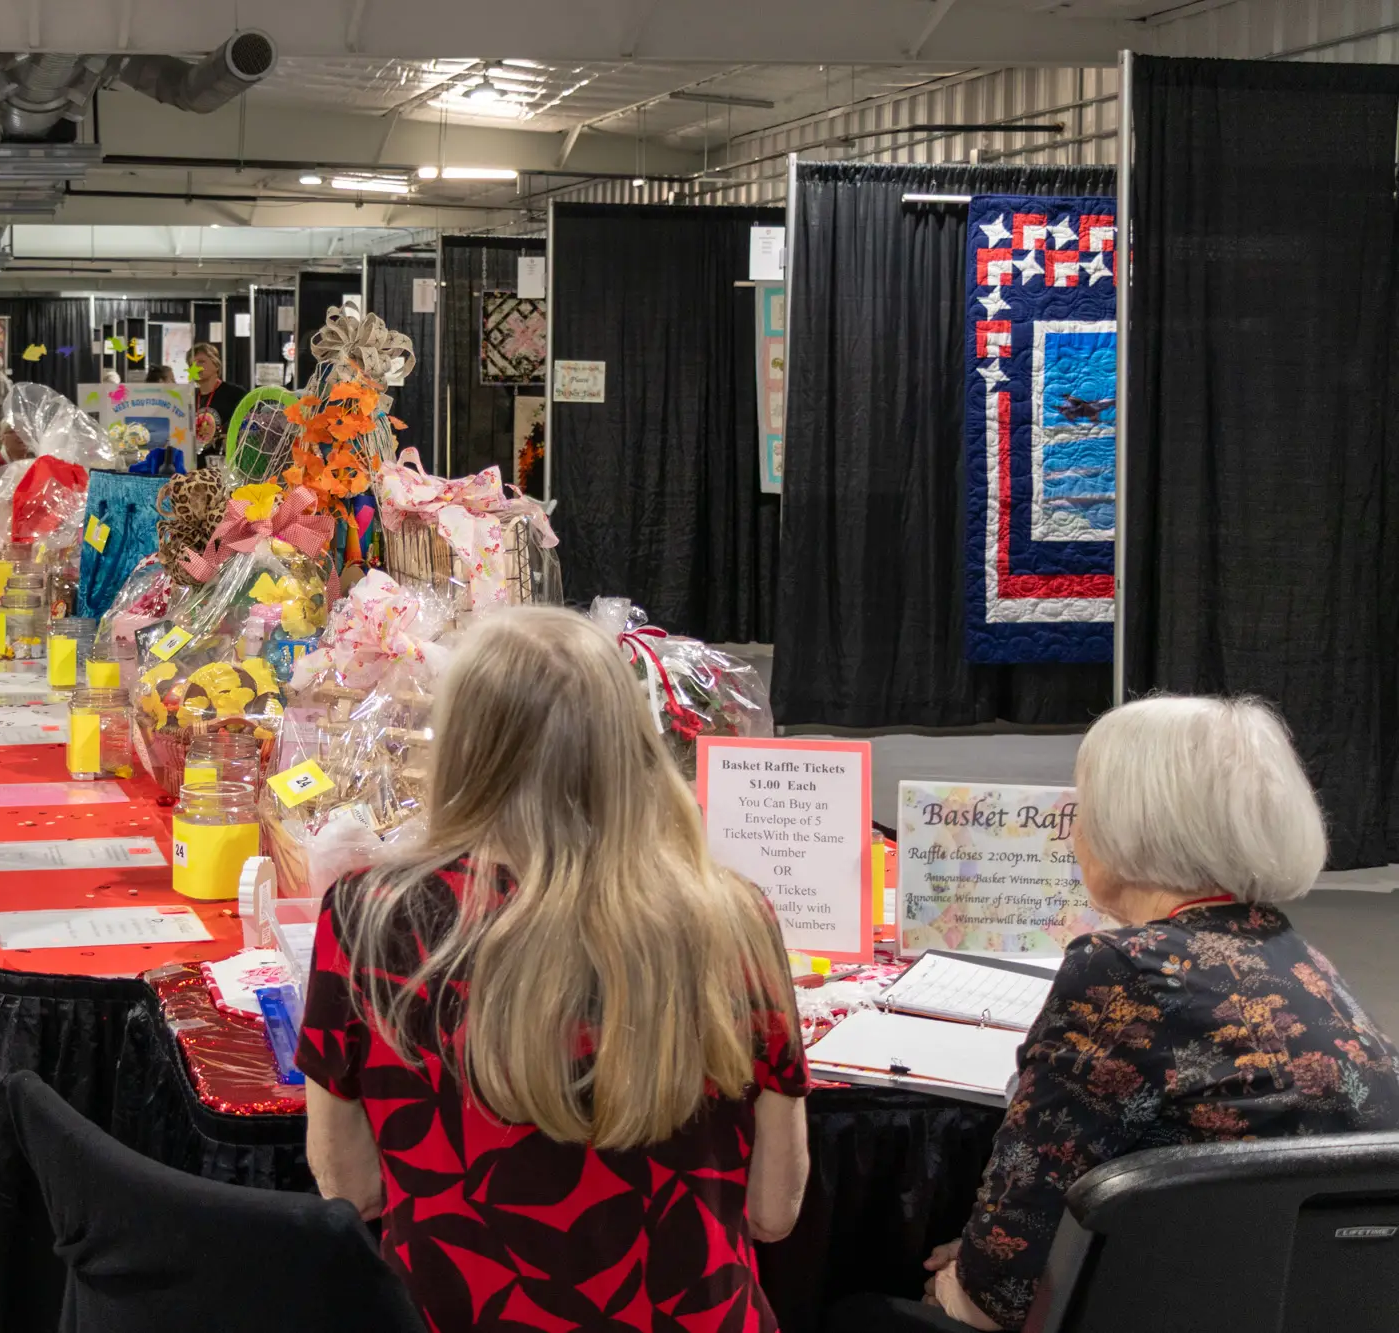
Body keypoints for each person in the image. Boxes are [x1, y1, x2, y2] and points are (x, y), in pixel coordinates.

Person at [297, 607, 811, 1333]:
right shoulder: (735, 918)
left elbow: (351, 1191)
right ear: (631, 744)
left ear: (462, 747)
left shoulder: (370, 916)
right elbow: (774, 1213)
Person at [831, 695, 1399, 1333]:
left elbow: (1004, 1278)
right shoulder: (1292, 955)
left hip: (1171, 1300)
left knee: (854, 1312)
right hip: (1293, 1298)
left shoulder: (1126, 968)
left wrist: (962, 1283)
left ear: (1125, 827)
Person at [187, 340, 246, 467]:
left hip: (225, 467)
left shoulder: (235, 394)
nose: (196, 367)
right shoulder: (188, 398)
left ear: (216, 365)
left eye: (201, 362)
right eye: (192, 364)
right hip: (193, 467)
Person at [0, 421, 33, 497]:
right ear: (2, 438)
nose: (20, 435)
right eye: (13, 432)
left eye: (24, 431)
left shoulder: (36, 459)